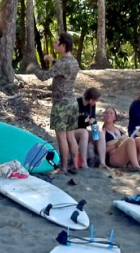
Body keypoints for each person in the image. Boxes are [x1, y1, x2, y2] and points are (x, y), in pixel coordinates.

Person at [26, 33, 80, 174]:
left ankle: (63, 167)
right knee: (70, 136)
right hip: (72, 103)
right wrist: (54, 60)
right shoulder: (73, 61)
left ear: (63, 45)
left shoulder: (62, 63)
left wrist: (34, 68)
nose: (54, 44)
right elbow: (63, 68)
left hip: (61, 105)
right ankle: (74, 164)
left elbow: (44, 76)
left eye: (57, 42)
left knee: (61, 137)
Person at [101, 108, 140, 172]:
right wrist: (117, 144)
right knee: (130, 140)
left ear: (115, 117)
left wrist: (121, 141)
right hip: (113, 157)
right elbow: (101, 150)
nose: (108, 115)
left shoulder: (119, 129)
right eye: (106, 113)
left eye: (111, 113)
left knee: (139, 140)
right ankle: (136, 166)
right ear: (103, 116)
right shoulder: (102, 132)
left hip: (126, 154)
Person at [72, 87, 106, 168]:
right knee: (84, 132)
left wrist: (95, 127)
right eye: (95, 100)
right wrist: (87, 122)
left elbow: (93, 119)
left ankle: (102, 162)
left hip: (85, 129)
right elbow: (73, 122)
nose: (96, 102)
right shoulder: (77, 103)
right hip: (74, 131)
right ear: (90, 99)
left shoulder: (91, 106)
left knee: (100, 133)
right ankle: (84, 162)